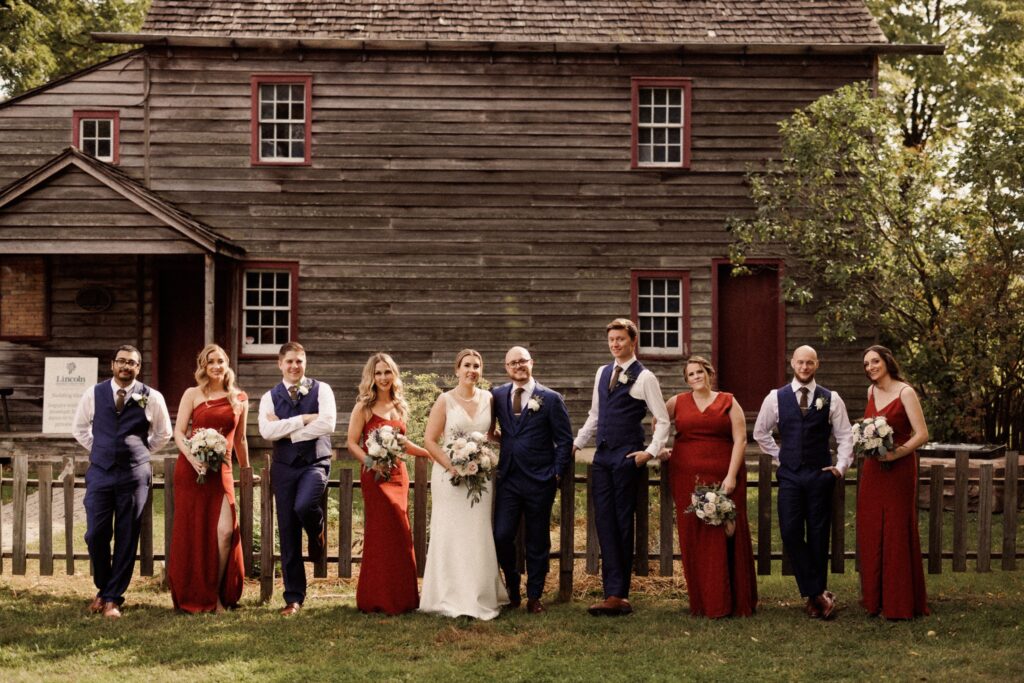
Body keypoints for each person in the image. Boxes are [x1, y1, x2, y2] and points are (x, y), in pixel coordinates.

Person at [572, 318, 670, 616]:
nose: (615, 344)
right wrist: (577, 443)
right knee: (604, 521)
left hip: (627, 458)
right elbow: (595, 414)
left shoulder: (645, 377)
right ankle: (611, 593)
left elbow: (663, 419)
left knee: (622, 523)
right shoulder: (603, 372)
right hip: (602, 458)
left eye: (621, 339)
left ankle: (619, 594)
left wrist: (649, 452)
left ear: (633, 341)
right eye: (612, 340)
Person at [72, 345, 172, 619]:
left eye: (132, 363)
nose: (126, 366)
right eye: (122, 361)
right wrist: (101, 448)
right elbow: (79, 428)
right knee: (96, 535)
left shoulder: (152, 397)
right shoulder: (93, 393)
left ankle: (113, 599)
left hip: (133, 474)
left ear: (139, 368)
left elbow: (163, 433)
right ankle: (104, 589)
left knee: (128, 535)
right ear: (113, 364)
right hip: (101, 471)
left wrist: (139, 451)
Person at [753, 345, 853, 620]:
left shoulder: (831, 398)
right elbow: (761, 433)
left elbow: (845, 436)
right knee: (791, 531)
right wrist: (781, 455)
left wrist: (840, 467)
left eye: (810, 363)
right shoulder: (776, 398)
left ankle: (815, 598)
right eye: (800, 362)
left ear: (817, 364)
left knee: (820, 534)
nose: (805, 367)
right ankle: (817, 592)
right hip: (790, 475)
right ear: (792, 363)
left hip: (820, 474)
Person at [664, 356, 757, 617]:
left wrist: (731, 476)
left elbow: (740, 439)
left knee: (726, 533)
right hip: (687, 478)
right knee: (696, 534)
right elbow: (659, 423)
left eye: (700, 372)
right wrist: (660, 448)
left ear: (709, 374)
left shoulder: (728, 400)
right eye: (691, 374)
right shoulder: (677, 402)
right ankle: (704, 601)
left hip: (723, 476)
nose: (696, 377)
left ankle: (733, 601)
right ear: (686, 379)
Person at [419, 349, 508, 619]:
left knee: (477, 532)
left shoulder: (489, 399)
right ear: (456, 369)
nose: (472, 370)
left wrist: (516, 447)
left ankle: (478, 594)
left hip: (480, 476)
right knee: (450, 533)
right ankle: (447, 595)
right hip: (449, 478)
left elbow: (491, 434)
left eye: (477, 366)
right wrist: (452, 466)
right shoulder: (445, 400)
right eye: (467, 365)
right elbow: (430, 440)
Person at [168, 344, 250, 613]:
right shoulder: (192, 394)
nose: (216, 366)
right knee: (195, 533)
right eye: (210, 362)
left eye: (221, 361)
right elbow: (179, 432)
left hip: (222, 471)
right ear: (203, 366)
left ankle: (216, 592)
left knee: (225, 532)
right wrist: (193, 458)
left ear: (227, 364)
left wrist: (247, 470)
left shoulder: (239, 398)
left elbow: (240, 438)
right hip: (193, 471)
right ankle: (204, 598)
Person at [345, 352, 430, 615]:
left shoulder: (399, 406)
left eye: (387, 372)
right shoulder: (364, 407)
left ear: (394, 375)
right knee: (381, 534)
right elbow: (351, 443)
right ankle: (376, 598)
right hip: (375, 476)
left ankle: (403, 599)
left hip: (397, 475)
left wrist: (430, 453)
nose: (383, 378)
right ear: (371, 377)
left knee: (401, 532)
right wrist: (371, 462)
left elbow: (403, 443)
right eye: (378, 373)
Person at [491, 346, 574, 614]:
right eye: (513, 362)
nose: (518, 366)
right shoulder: (498, 395)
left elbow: (564, 440)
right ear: (506, 367)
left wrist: (556, 472)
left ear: (532, 363)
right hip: (509, 478)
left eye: (523, 361)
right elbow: (491, 429)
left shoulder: (550, 399)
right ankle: (513, 586)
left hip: (540, 480)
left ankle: (535, 595)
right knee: (502, 535)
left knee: (538, 540)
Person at [258, 341, 337, 616]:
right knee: (288, 531)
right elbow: (267, 432)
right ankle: (293, 598)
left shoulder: (321, 389)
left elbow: (328, 423)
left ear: (305, 363)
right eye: (289, 361)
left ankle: (317, 532)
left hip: (315, 462)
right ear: (280, 364)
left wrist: (288, 430)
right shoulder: (270, 396)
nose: (294, 366)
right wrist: (303, 418)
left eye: (299, 361)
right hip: (284, 467)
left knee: (305, 506)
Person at [857, 345, 930, 619]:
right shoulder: (871, 392)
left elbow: (922, 434)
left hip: (899, 469)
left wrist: (896, 453)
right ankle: (875, 599)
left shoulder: (905, 392)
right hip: (873, 471)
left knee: (897, 530)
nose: (870, 367)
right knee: (873, 528)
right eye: (866, 364)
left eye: (874, 361)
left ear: (887, 361)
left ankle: (900, 601)